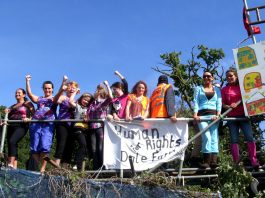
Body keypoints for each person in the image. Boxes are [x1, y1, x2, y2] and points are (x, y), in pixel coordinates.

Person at [221, 68, 259, 168]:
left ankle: (254, 160)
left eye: (231, 76)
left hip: (243, 116)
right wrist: (229, 106)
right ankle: (237, 162)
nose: (229, 78)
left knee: (249, 137)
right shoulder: (224, 89)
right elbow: (223, 104)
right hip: (231, 118)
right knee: (234, 139)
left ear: (236, 76)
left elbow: (250, 97)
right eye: (227, 76)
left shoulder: (242, 87)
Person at [26, 75, 58, 172]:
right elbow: (30, 94)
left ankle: (42, 168)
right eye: (45, 88)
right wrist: (27, 81)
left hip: (48, 124)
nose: (47, 90)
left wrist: (63, 83)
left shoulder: (54, 98)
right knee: (35, 146)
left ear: (52, 89)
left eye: (49, 88)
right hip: (36, 123)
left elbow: (60, 95)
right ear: (43, 89)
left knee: (45, 146)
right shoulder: (39, 99)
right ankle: (36, 167)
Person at [193, 71, 222, 169]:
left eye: (208, 76)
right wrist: (195, 115)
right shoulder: (198, 89)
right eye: (204, 76)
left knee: (214, 137)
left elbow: (219, 102)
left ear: (212, 78)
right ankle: (206, 161)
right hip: (202, 117)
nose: (206, 78)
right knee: (206, 136)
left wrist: (218, 115)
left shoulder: (217, 89)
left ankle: (213, 161)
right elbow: (196, 102)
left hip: (213, 116)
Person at [5, 88, 35, 169]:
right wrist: (6, 114)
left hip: (21, 126)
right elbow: (7, 117)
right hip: (11, 126)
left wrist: (29, 119)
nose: (17, 94)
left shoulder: (27, 103)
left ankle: (10, 164)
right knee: (11, 144)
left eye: (19, 93)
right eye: (16, 93)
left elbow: (35, 115)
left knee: (12, 141)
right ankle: (14, 167)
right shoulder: (12, 106)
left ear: (24, 95)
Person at [53, 76, 79, 167]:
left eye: (74, 88)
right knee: (61, 143)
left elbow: (74, 106)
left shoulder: (76, 100)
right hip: (63, 123)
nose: (71, 89)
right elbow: (56, 100)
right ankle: (56, 165)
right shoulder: (63, 97)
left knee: (69, 146)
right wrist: (63, 83)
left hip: (72, 125)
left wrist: (74, 94)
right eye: (70, 87)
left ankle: (65, 168)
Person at [87, 81, 113, 170]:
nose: (97, 92)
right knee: (94, 149)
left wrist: (107, 85)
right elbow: (88, 115)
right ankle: (95, 169)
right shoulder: (91, 104)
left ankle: (103, 169)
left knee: (100, 148)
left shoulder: (103, 102)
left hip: (100, 128)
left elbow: (111, 97)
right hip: (92, 128)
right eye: (96, 91)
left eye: (99, 91)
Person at [69, 92, 93, 171]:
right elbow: (70, 102)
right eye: (84, 100)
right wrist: (75, 92)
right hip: (78, 127)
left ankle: (81, 166)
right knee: (83, 145)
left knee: (85, 147)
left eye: (88, 101)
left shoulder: (90, 109)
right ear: (81, 99)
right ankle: (77, 165)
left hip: (87, 130)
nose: (86, 102)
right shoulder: (78, 106)